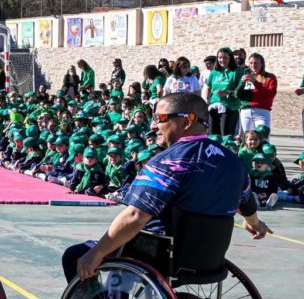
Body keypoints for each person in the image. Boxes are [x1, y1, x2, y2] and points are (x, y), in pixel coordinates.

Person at [61, 92, 270, 283]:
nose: (153, 126)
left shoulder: (169, 162)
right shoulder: (233, 161)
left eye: (160, 118)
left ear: (187, 120)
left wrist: (96, 253)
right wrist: (254, 222)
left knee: (75, 256)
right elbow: (246, 200)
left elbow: (135, 216)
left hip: (161, 255)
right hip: (209, 258)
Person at [202, 47, 243, 136]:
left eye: (225, 58)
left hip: (229, 108)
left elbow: (241, 90)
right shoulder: (214, 72)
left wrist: (228, 92)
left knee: (225, 136)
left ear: (230, 58)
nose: (222, 60)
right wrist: (206, 100)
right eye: (220, 58)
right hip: (213, 107)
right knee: (212, 135)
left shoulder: (237, 71)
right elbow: (207, 87)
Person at [237, 53, 276, 135]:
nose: (253, 65)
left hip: (262, 112)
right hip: (245, 111)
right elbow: (237, 95)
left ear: (262, 64)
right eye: (251, 63)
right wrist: (241, 82)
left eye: (256, 63)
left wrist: (255, 83)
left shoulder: (270, 77)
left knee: (263, 138)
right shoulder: (247, 76)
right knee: (248, 139)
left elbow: (270, 94)